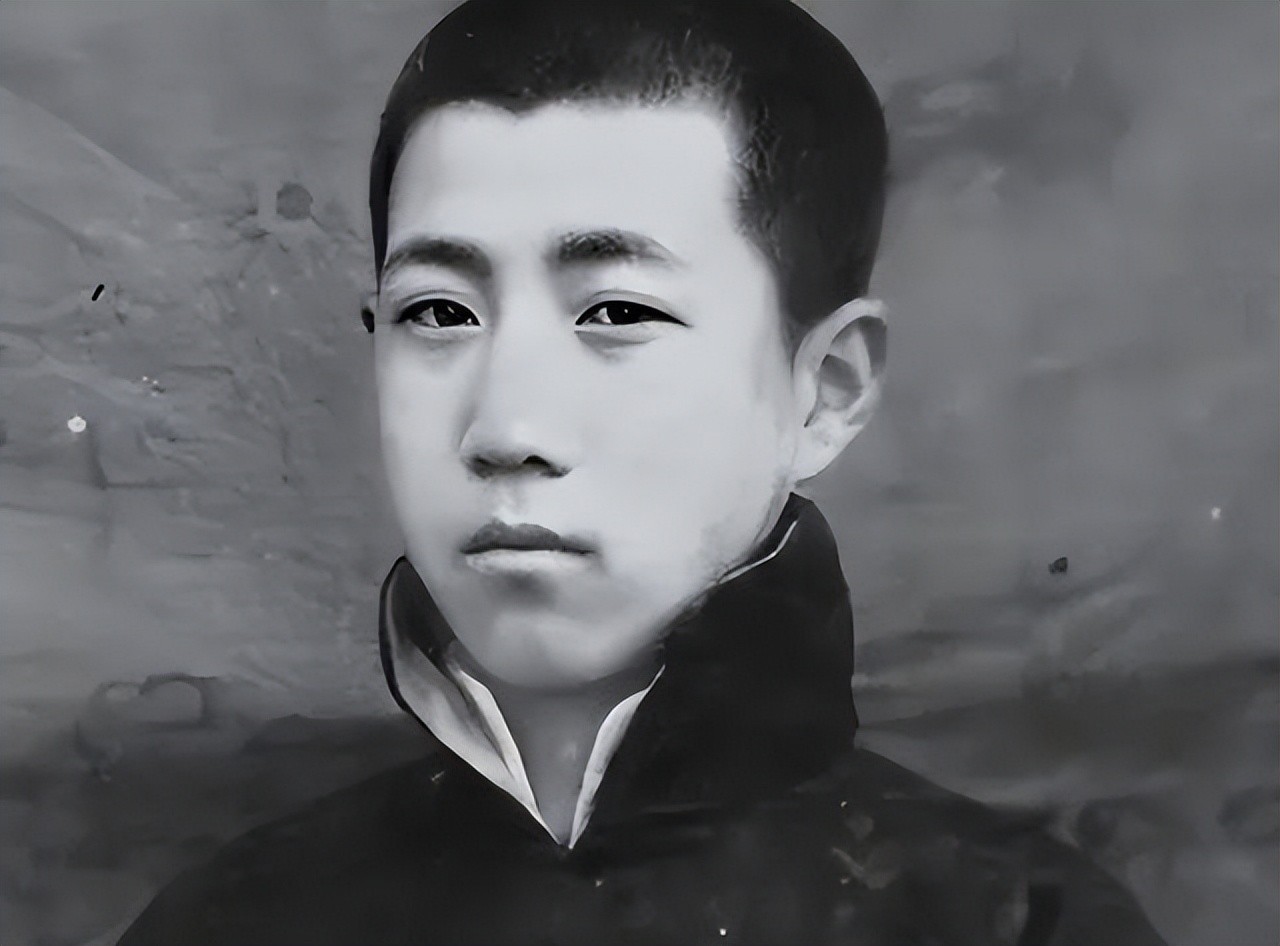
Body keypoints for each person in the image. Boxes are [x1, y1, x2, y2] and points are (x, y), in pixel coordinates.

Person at [118, 1, 1167, 943]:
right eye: (438, 312)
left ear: (825, 391)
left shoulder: (1023, 925)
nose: (507, 429)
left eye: (617, 310)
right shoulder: (224, 923)